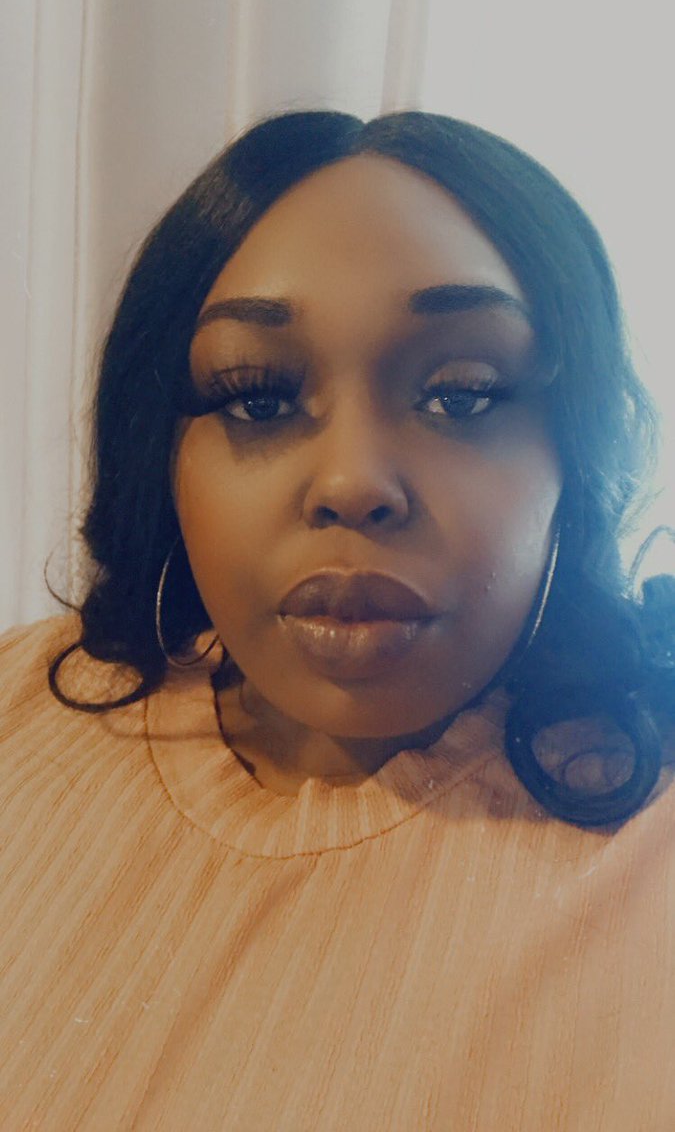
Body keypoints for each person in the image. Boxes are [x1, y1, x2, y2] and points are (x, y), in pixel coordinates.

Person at [1, 108, 674, 1130]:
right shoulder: (24, 712)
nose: (354, 483)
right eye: (258, 397)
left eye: (461, 395)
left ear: (575, 456)